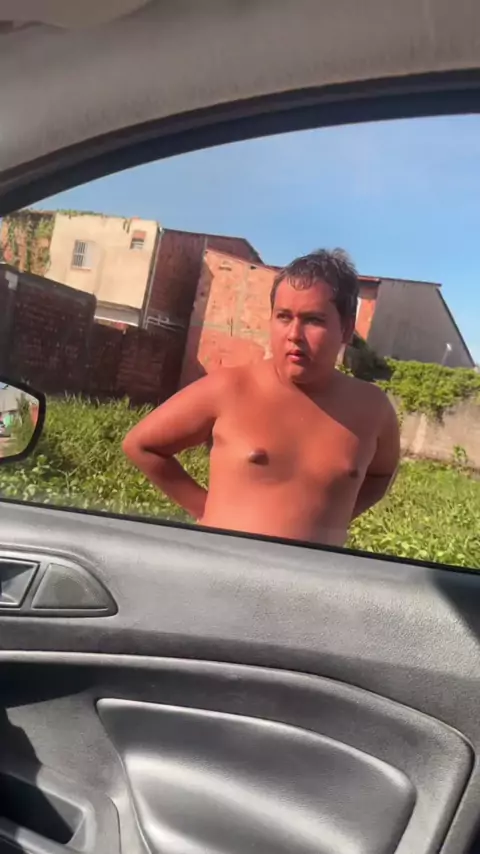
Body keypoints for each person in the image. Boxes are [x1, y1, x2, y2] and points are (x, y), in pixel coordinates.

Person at [122, 249, 400, 546]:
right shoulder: (229, 388)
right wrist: (207, 511)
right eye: (283, 317)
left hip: (316, 573)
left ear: (345, 328)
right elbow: (141, 445)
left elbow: (382, 474)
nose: (294, 334)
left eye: (313, 320)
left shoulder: (373, 408)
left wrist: (332, 520)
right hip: (226, 565)